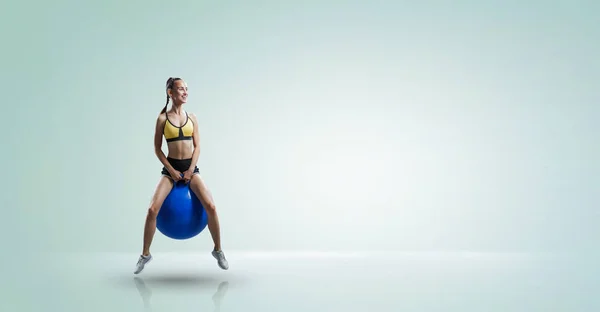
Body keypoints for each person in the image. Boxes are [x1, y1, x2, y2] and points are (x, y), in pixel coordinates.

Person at [134, 77, 229, 274]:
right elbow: (157, 149)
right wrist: (172, 170)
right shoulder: (162, 119)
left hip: (190, 169)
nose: (185, 92)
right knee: (152, 210)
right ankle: (145, 254)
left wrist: (190, 169)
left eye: (186, 89)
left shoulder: (192, 117)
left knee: (210, 206)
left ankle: (218, 250)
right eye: (180, 89)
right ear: (170, 93)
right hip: (171, 170)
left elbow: (198, 146)